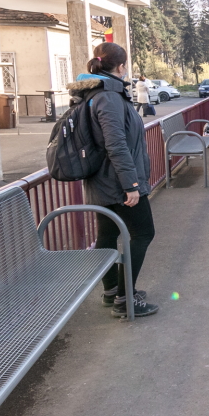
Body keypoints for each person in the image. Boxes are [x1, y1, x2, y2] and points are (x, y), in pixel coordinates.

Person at [67, 42, 159, 318]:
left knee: (107, 235)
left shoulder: (94, 94)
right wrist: (131, 185)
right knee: (143, 233)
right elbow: (116, 144)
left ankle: (112, 290)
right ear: (120, 67)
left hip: (102, 180)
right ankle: (124, 298)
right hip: (117, 182)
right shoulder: (108, 97)